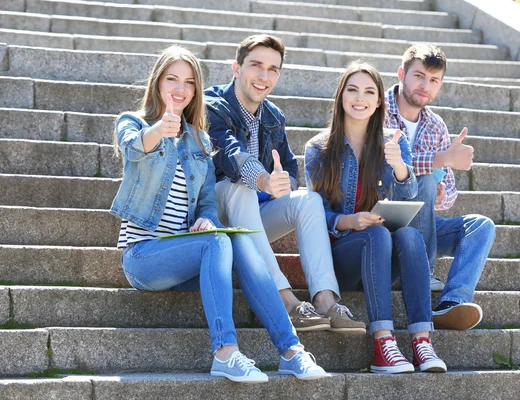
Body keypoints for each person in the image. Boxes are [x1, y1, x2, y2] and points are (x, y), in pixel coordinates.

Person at [110, 45, 328, 383]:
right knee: (217, 242)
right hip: (144, 258)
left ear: (197, 90)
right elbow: (132, 145)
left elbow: (208, 200)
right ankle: (225, 352)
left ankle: (291, 351)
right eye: (172, 80)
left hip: (186, 259)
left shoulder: (198, 139)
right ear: (157, 83)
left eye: (189, 82)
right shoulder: (134, 123)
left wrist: (209, 217)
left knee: (236, 240)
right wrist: (158, 130)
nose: (180, 89)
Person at [204, 34, 365, 334]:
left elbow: (290, 168)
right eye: (256, 65)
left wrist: (284, 182)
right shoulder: (213, 105)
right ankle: (286, 301)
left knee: (309, 200)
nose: (264, 76)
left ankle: (325, 301)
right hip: (215, 214)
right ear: (236, 68)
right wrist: (264, 180)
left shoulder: (274, 116)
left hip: (253, 217)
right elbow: (229, 153)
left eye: (273, 69)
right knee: (240, 188)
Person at [305, 61, 447, 374]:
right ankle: (383, 343)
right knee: (376, 234)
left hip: (382, 254)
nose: (361, 97)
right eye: (353, 89)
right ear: (341, 96)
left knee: (409, 235)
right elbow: (314, 216)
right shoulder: (319, 148)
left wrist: (399, 166)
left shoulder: (394, 142)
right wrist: (351, 221)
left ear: (380, 100)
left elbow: (409, 202)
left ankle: (422, 341)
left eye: (370, 91)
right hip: (341, 254)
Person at [385, 43, 496, 330]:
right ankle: (423, 271)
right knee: (419, 179)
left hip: (423, 224)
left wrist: (441, 193)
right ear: (401, 74)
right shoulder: (377, 108)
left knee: (480, 225)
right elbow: (381, 166)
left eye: (433, 80)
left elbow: (448, 189)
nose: (425, 86)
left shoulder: (436, 126)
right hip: (383, 219)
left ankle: (453, 302)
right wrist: (441, 159)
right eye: (419, 76)